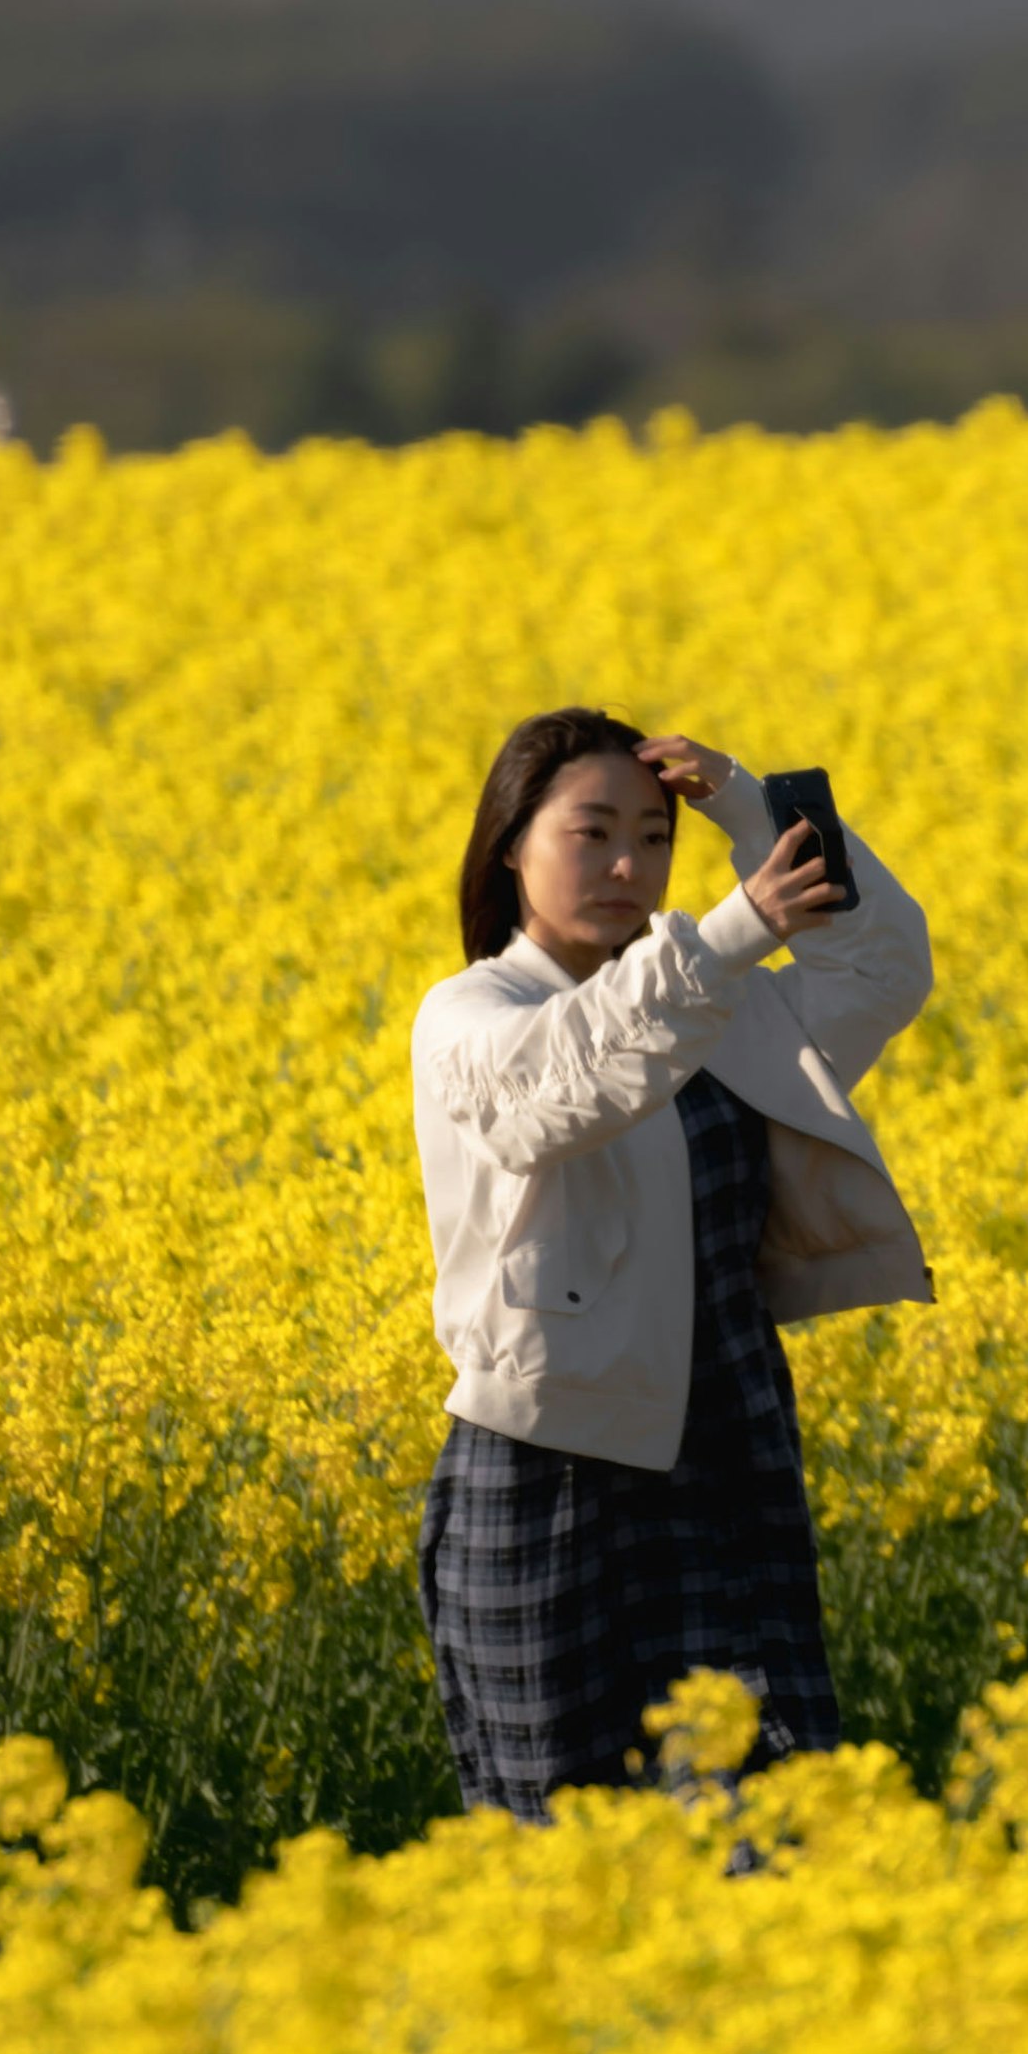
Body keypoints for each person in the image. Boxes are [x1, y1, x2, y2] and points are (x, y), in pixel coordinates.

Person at [409, 711, 933, 1819]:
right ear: (511, 844)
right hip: (552, 1466)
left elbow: (883, 963)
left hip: (726, 1453)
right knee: (562, 1839)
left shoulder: (718, 1003)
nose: (625, 866)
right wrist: (732, 931)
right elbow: (559, 1092)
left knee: (771, 1821)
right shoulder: (471, 1015)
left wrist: (746, 802)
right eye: (590, 833)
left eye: (652, 838)